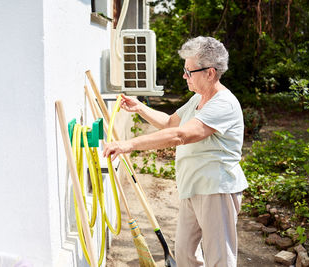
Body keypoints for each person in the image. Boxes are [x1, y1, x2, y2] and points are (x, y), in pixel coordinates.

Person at [103, 36, 248, 266]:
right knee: (185, 254)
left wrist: (129, 145)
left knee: (219, 259)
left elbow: (181, 135)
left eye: (189, 71)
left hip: (216, 190)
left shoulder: (223, 104)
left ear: (210, 73)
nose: (184, 76)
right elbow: (171, 123)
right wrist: (140, 107)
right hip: (192, 187)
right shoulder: (198, 99)